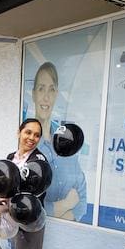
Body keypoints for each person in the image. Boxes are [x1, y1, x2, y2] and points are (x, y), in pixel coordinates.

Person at [32, 61, 87, 221]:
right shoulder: (29, 143)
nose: (46, 97)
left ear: (56, 94)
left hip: (66, 232)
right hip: (36, 233)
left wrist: (61, 218)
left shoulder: (66, 141)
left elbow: (82, 201)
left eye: (52, 89)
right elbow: (28, 204)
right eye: (41, 88)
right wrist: (66, 204)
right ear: (34, 93)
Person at [7, 118, 51, 249]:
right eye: (28, 132)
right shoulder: (11, 158)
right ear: (19, 132)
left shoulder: (39, 161)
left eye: (37, 135)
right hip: (12, 218)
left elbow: (34, 192)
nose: (32, 138)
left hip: (30, 222)